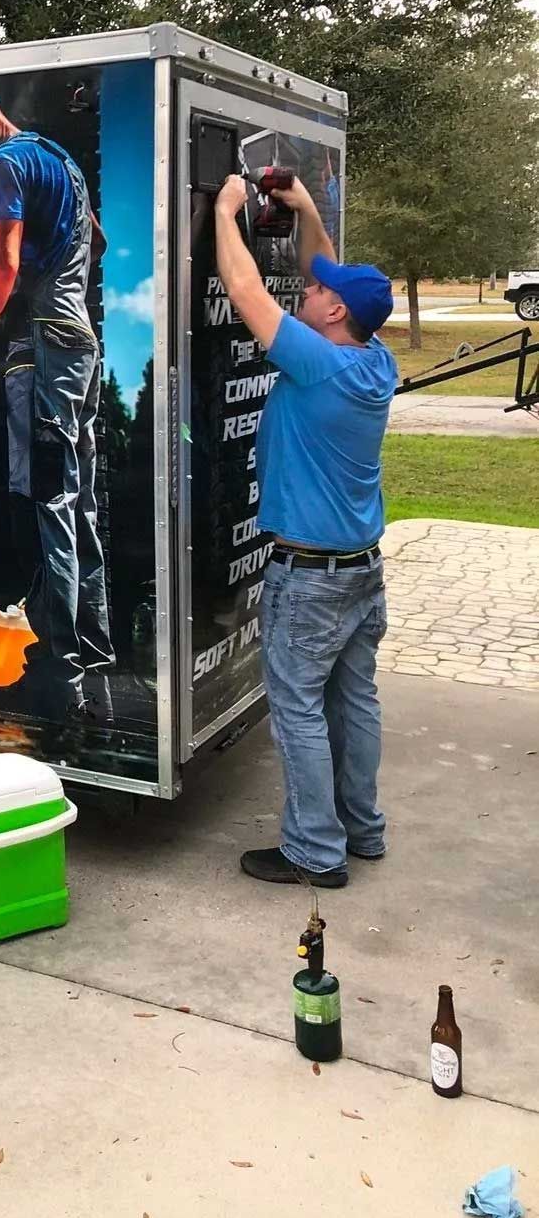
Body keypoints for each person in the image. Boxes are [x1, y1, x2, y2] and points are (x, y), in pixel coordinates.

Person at [213, 170, 397, 889]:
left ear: (331, 317)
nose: (308, 286)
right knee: (354, 700)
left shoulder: (317, 366)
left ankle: (315, 852)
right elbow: (325, 267)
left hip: (312, 579)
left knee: (297, 711)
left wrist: (227, 212)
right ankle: (363, 830)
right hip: (361, 572)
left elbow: (246, 292)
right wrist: (308, 210)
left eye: (319, 292)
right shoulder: (373, 359)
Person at [0, 77, 114, 720]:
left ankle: (59, 679)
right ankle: (93, 651)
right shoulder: (57, 158)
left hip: (41, 348)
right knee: (77, 503)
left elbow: (2, 261)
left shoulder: (5, 163)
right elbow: (99, 240)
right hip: (77, 343)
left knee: (46, 506)